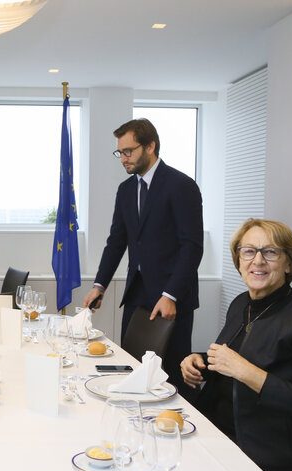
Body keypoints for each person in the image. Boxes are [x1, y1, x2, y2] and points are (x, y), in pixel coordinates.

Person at [181, 219, 292, 471]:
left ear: (289, 264)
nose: (258, 260)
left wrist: (245, 371)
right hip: (213, 434)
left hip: (265, 453)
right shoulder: (242, 303)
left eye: (271, 252)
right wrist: (200, 361)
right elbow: (238, 354)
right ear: (239, 260)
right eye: (248, 251)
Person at [83, 118, 203, 394]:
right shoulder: (126, 190)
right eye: (120, 152)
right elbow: (117, 242)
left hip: (172, 300)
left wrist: (171, 294)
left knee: (169, 380)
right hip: (137, 295)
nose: (123, 158)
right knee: (134, 372)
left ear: (150, 146)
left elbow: (192, 246)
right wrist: (99, 285)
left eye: (129, 151)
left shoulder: (181, 185)